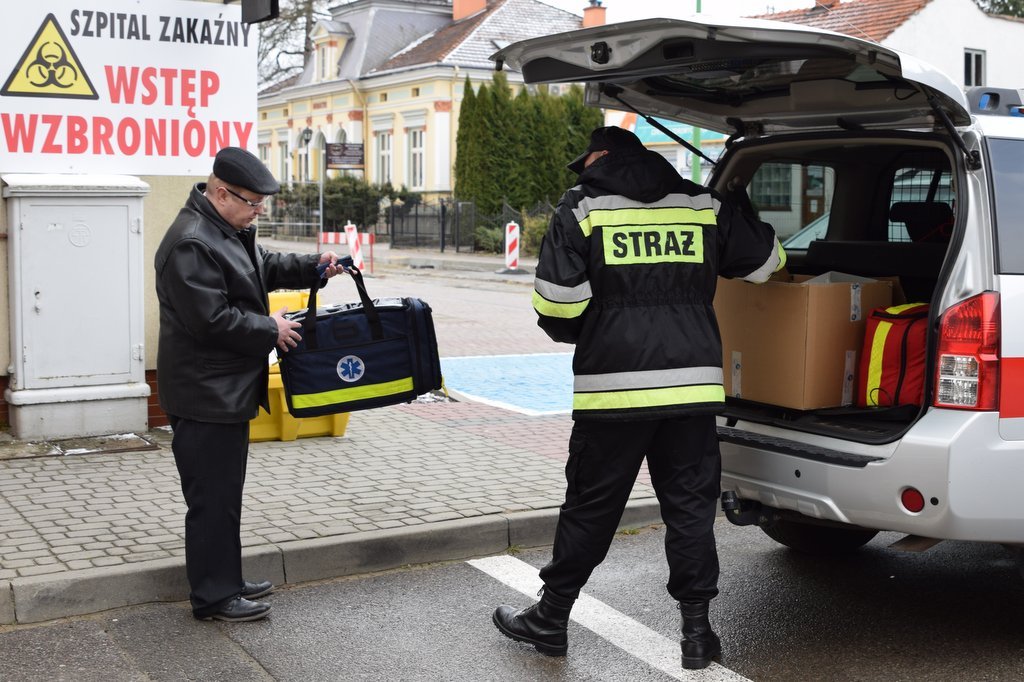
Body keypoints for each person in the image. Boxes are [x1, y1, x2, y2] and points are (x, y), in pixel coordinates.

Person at [491, 127, 785, 669]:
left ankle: (551, 618)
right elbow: (768, 264)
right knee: (690, 511)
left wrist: (602, 332)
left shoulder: (580, 210)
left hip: (614, 393)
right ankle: (698, 635)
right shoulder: (703, 203)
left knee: (591, 508)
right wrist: (740, 208)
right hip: (693, 391)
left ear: (601, 158)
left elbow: (557, 308)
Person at [155, 147, 343, 622]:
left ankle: (226, 578)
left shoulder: (225, 229)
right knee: (211, 500)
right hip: (204, 395)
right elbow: (211, 321)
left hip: (222, 391)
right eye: (253, 203)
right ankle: (214, 597)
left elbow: (264, 266)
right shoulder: (192, 243)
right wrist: (270, 329)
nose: (258, 211)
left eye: (262, 204)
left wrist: (313, 266)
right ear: (221, 193)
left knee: (224, 495)